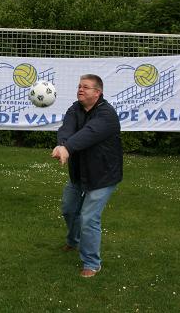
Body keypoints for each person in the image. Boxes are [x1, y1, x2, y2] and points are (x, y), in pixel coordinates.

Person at [52, 74, 123, 278]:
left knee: (89, 218)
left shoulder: (107, 115)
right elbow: (66, 129)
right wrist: (62, 144)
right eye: (79, 86)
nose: (80, 90)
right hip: (79, 173)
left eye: (85, 87)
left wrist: (67, 148)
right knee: (68, 209)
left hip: (103, 176)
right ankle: (73, 241)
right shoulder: (75, 109)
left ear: (97, 92)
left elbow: (89, 133)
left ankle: (92, 263)